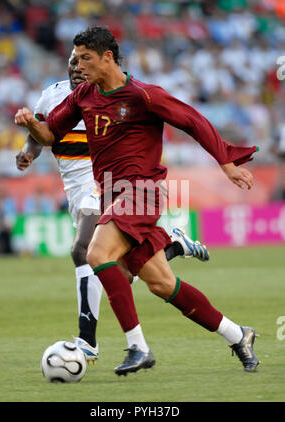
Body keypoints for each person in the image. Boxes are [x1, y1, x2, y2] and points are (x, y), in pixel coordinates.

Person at [14, 26, 259, 376]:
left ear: (107, 58)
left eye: (86, 58)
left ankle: (137, 347)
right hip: (111, 192)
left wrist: (227, 163)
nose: (78, 65)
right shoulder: (83, 95)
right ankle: (239, 335)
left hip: (141, 190)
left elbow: (193, 121)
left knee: (94, 253)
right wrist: (29, 124)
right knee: (161, 283)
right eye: (75, 58)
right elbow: (51, 134)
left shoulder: (143, 95)